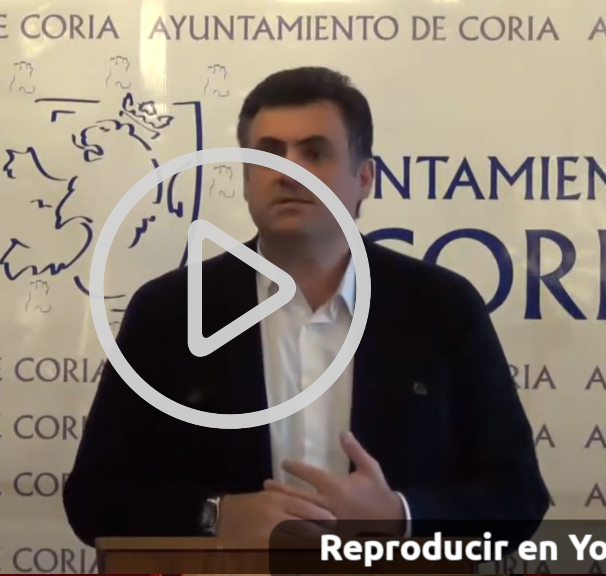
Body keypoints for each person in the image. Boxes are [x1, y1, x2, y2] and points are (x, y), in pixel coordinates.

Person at [63, 66, 549, 548]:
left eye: (314, 153)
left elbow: (518, 496)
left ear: (364, 178)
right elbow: (93, 499)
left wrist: (400, 516)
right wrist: (215, 515)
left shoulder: (442, 308)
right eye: (268, 154)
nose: (288, 172)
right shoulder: (168, 312)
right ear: (246, 177)